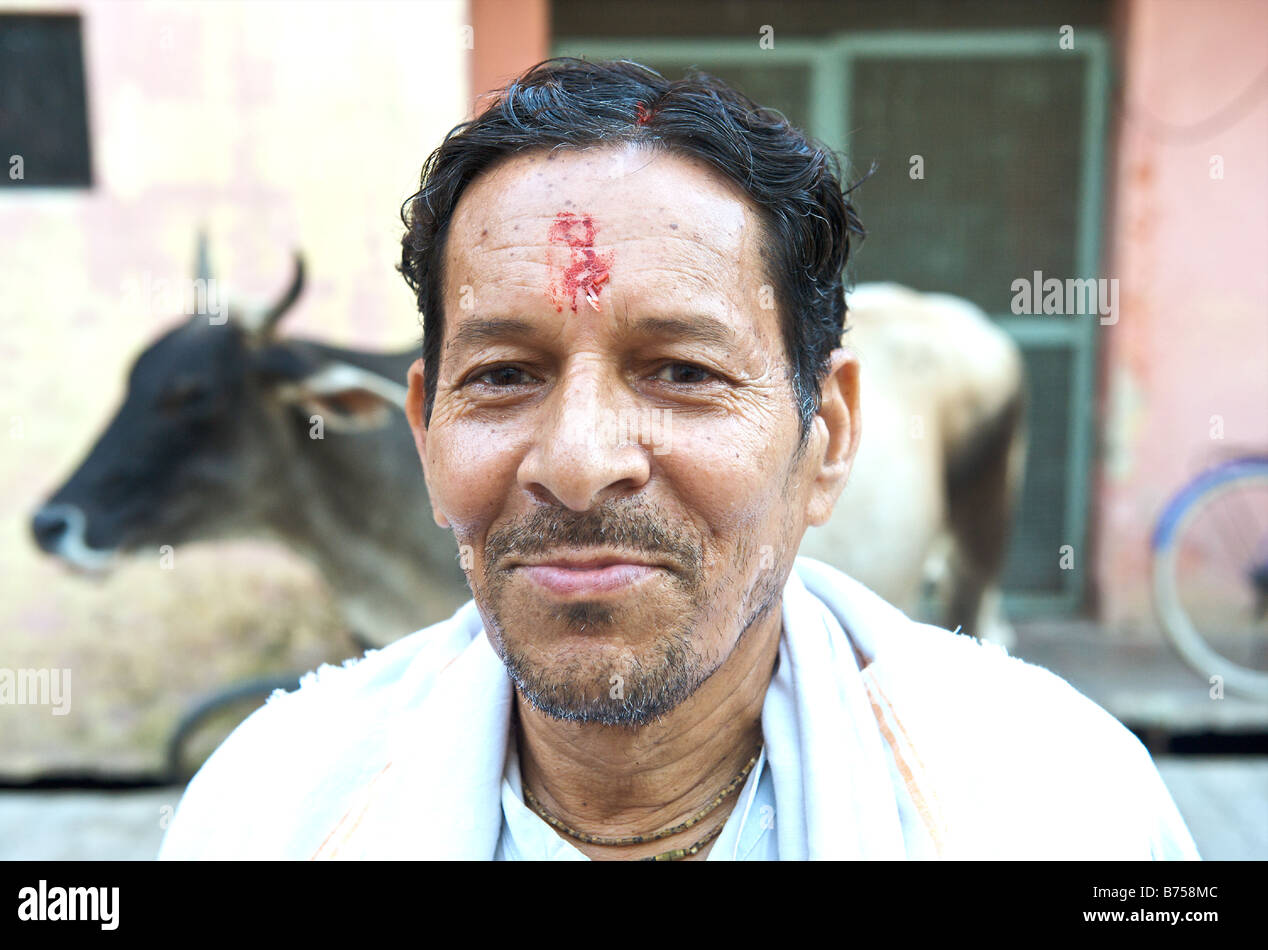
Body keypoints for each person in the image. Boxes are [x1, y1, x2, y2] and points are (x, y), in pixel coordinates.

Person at [159, 58, 1198, 860]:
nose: (576, 463)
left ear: (825, 435)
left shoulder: (1061, 806)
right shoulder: (266, 816)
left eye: (682, 372)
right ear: (426, 432)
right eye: (505, 376)